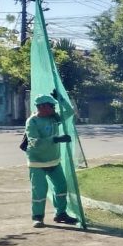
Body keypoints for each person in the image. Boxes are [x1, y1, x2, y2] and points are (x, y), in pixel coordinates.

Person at [25, 94, 78, 228]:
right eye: (52, 106)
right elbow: (35, 143)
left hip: (53, 161)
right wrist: (56, 139)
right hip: (37, 162)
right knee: (39, 190)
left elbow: (70, 113)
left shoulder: (54, 118)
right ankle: (38, 217)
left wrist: (61, 100)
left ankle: (60, 214)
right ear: (42, 107)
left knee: (61, 187)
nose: (54, 108)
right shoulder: (32, 121)